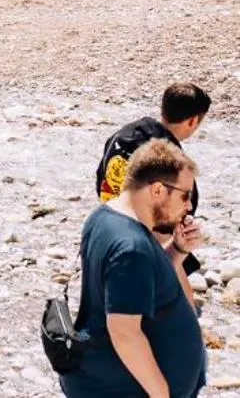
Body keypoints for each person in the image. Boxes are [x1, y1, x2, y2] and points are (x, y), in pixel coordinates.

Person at [59, 139, 206, 398]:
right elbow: (124, 332)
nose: (189, 206)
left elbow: (141, 281)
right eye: (185, 195)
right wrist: (161, 393)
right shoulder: (132, 248)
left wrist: (177, 249)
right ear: (158, 190)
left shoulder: (105, 216)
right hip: (124, 389)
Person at [97, 84, 210, 271]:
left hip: (109, 222)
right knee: (183, 296)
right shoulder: (168, 155)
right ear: (193, 121)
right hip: (146, 240)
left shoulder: (124, 133)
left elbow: (101, 175)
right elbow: (183, 210)